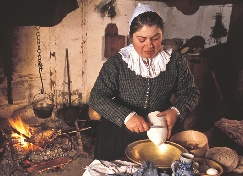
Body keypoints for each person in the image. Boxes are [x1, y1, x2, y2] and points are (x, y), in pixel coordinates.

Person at [89, 3, 200, 161]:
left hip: (160, 130)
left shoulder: (175, 61)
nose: (149, 45)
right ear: (130, 36)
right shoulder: (117, 63)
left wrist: (176, 111)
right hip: (119, 132)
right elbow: (97, 97)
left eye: (156, 38)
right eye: (141, 39)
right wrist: (126, 117)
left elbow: (191, 92)